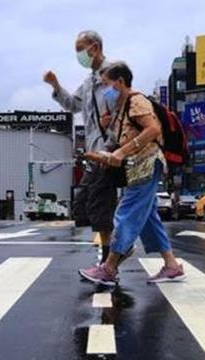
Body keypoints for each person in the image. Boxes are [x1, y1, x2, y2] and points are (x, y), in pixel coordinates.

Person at [78, 62, 185, 286]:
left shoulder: (137, 101)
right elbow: (120, 140)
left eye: (106, 84)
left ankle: (109, 267)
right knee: (148, 218)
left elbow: (153, 129)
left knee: (126, 213)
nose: (104, 90)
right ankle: (172, 265)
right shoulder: (120, 108)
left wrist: (122, 151)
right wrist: (106, 130)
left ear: (120, 82)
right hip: (136, 167)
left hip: (146, 164)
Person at [44, 30, 122, 263]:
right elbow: (73, 105)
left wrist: (110, 140)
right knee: (83, 205)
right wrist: (56, 86)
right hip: (94, 153)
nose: (79, 55)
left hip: (108, 151)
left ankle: (109, 262)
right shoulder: (88, 82)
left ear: (95, 48)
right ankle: (115, 254)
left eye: (81, 49)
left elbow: (120, 107)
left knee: (100, 207)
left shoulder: (112, 74)